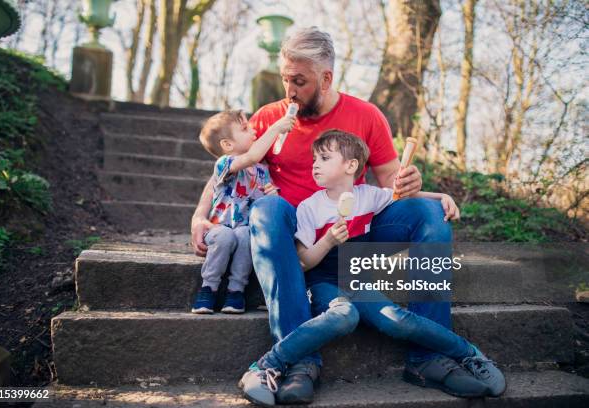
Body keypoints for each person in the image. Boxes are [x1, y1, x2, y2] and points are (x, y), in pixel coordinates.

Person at [191, 27, 504, 403]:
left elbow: (393, 185)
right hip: (303, 250)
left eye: (300, 81)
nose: (289, 90)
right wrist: (199, 216)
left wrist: (417, 182)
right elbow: (230, 169)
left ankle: (430, 357)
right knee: (266, 208)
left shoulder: (366, 115)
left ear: (326, 78)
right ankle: (297, 360)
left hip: (359, 248)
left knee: (429, 213)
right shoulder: (270, 118)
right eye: (286, 79)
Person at [238, 130, 504, 406]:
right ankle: (267, 364)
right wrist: (328, 240)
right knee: (345, 316)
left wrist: (440, 197)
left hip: (357, 282)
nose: (315, 164)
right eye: (314, 158)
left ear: (351, 166)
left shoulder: (368, 197)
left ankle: (470, 355)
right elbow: (304, 262)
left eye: (324, 158)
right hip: (323, 283)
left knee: (398, 320)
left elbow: (400, 196)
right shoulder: (309, 208)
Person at [191, 110, 294, 314]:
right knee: (225, 236)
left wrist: (272, 194)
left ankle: (235, 291)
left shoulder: (262, 170)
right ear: (228, 145)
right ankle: (208, 288)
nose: (253, 130)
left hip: (244, 228)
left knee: (246, 235)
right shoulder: (225, 163)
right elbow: (252, 155)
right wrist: (276, 128)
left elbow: (268, 202)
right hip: (219, 227)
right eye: (245, 128)